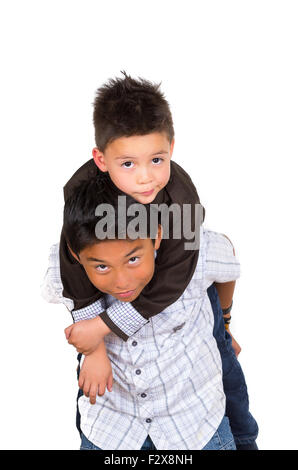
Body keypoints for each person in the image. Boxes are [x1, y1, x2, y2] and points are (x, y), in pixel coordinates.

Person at [42, 73, 258, 449]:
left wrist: (223, 321)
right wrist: (92, 342)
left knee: (223, 369)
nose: (145, 178)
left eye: (157, 159)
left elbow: (174, 282)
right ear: (101, 160)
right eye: (128, 164)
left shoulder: (181, 205)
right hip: (119, 374)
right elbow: (72, 266)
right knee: (93, 378)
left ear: (171, 148)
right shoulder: (80, 193)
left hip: (176, 284)